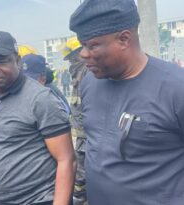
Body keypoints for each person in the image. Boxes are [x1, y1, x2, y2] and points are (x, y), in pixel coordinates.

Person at [69, 0, 184, 204]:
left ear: (124, 39)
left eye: (92, 45)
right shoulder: (89, 83)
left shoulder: (176, 88)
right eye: (82, 45)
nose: (83, 53)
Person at [0, 31, 76, 205]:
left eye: (1, 61)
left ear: (18, 61)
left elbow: (66, 160)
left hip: (38, 199)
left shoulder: (40, 99)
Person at [62, 37, 88, 205]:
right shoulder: (78, 73)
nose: (71, 60)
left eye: (72, 56)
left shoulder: (87, 71)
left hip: (87, 139)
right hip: (81, 139)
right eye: (69, 58)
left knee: (83, 175)